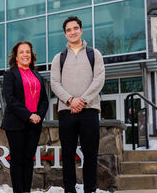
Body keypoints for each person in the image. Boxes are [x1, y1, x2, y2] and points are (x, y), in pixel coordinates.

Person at [50, 16, 105, 193]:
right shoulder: (59, 58)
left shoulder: (94, 54)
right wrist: (71, 100)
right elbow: (54, 84)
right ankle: (69, 190)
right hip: (67, 112)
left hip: (89, 111)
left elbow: (99, 80)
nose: (72, 32)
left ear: (81, 30)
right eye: (68, 30)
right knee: (67, 155)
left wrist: (83, 100)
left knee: (90, 155)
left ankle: (90, 190)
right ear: (65, 34)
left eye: (75, 28)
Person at [1, 41, 49, 193]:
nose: (25, 55)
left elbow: (44, 100)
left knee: (29, 160)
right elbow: (10, 99)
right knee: (17, 160)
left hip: (34, 124)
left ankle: (26, 190)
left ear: (31, 55)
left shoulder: (37, 75)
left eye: (27, 51)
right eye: (21, 52)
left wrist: (38, 116)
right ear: (16, 56)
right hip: (16, 123)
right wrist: (29, 115)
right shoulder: (10, 74)